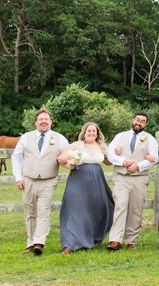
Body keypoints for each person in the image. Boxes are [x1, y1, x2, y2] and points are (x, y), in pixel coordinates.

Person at [12, 108, 69, 256]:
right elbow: (16, 157)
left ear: (50, 122)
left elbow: (68, 155)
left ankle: (39, 243)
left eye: (46, 119)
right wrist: (18, 177)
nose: (44, 121)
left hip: (48, 181)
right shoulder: (26, 137)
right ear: (36, 122)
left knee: (43, 211)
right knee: (30, 212)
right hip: (28, 180)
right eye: (41, 119)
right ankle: (30, 243)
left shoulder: (60, 138)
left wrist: (67, 160)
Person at [57, 123, 114, 254]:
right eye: (89, 131)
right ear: (84, 132)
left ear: (97, 133)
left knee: (99, 208)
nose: (92, 133)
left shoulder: (101, 146)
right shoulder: (76, 145)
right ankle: (70, 244)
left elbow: (108, 162)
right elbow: (61, 159)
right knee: (76, 210)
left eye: (94, 131)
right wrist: (69, 164)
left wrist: (111, 154)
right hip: (78, 179)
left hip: (97, 181)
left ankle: (92, 237)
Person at [106, 112, 159, 251]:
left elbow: (155, 157)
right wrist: (123, 161)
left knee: (136, 209)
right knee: (120, 205)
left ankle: (131, 240)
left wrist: (138, 166)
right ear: (133, 120)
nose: (139, 122)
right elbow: (110, 154)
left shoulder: (150, 138)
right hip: (121, 177)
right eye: (137, 119)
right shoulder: (120, 136)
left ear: (145, 124)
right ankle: (115, 240)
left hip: (139, 178)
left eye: (142, 121)